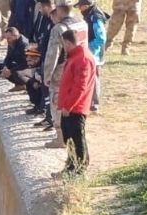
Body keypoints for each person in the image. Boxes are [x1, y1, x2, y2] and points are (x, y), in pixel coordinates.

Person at [43, 1, 89, 148]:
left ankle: (60, 137)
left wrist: (47, 75)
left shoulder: (59, 28)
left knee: (58, 102)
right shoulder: (82, 23)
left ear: (59, 11)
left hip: (62, 69)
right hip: (80, 65)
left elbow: (53, 54)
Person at [56, 29, 97, 176]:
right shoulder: (76, 56)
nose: (63, 47)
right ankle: (71, 166)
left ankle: (80, 169)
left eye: (64, 44)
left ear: (68, 42)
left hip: (75, 107)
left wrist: (69, 105)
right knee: (69, 138)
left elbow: (80, 86)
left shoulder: (82, 59)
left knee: (77, 139)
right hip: (69, 106)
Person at [77, 0, 107, 111]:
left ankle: (94, 103)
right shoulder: (89, 15)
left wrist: (89, 48)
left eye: (80, 7)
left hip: (95, 53)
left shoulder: (95, 17)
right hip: (92, 51)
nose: (79, 10)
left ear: (86, 6)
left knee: (94, 77)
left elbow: (101, 38)